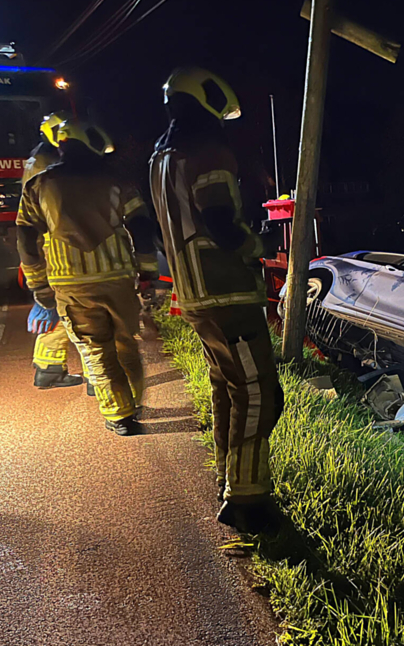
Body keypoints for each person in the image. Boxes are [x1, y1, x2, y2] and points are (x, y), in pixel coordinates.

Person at [150, 67, 282, 533]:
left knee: (229, 389)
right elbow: (221, 223)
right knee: (259, 394)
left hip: (194, 297)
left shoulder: (162, 156)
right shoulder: (208, 151)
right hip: (225, 291)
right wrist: (258, 247)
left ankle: (230, 481)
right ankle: (246, 501)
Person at [16, 118, 159, 435]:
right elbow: (141, 224)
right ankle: (133, 403)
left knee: (96, 350)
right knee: (126, 344)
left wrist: (37, 283)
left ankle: (118, 414)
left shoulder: (39, 184)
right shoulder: (116, 180)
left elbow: (26, 238)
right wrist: (148, 268)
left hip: (70, 284)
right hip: (118, 278)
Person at [23, 111, 87, 390]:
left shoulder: (37, 158)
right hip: (58, 246)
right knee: (81, 308)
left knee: (62, 308)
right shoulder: (49, 163)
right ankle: (99, 378)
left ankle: (49, 367)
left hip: (47, 245)